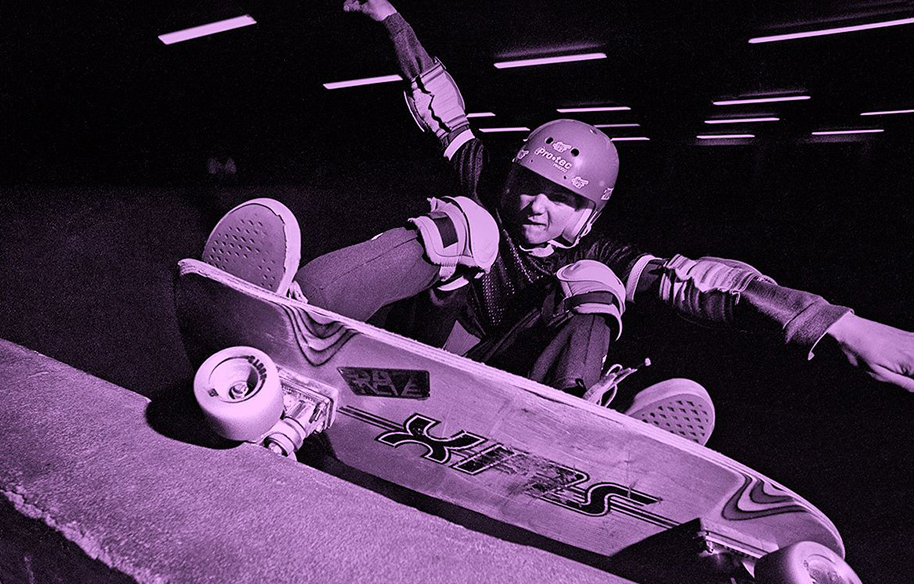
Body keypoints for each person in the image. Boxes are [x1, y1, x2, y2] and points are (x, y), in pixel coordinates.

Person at [201, 1, 914, 442]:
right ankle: (296, 306)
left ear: (593, 208)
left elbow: (711, 285)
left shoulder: (604, 248)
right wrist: (392, 17)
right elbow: (438, 106)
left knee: (597, 282)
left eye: (562, 199)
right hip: (407, 356)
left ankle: (577, 421)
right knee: (463, 225)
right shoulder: (491, 186)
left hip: (507, 387)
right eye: (527, 186)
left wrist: (836, 323)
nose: (535, 207)